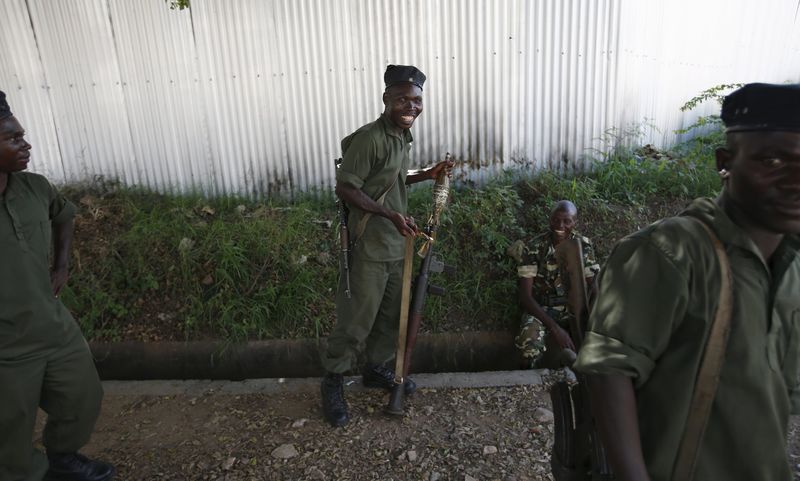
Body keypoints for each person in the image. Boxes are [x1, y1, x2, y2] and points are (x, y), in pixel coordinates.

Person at [574, 83, 800, 481]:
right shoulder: (669, 251)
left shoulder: (791, 267)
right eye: (772, 161)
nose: (794, 181)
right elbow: (608, 370)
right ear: (724, 163)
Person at [319, 65, 453, 427]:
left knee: (391, 317)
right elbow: (347, 188)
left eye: (417, 100)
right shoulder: (370, 138)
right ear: (386, 100)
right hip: (370, 247)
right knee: (356, 320)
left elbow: (390, 179)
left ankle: (375, 370)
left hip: (398, 247)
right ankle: (333, 381)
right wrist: (389, 215)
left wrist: (427, 174)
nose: (411, 106)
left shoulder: (400, 137)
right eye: (403, 99)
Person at [0, 91, 115, 481]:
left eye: (22, 134)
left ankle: (62, 459)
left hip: (53, 328)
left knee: (82, 399)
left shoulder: (33, 187)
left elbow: (63, 214)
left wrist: (61, 265)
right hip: (6, 347)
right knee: (10, 436)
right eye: (12, 138)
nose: (25, 144)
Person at [508, 200, 600, 368]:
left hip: (575, 309)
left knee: (600, 341)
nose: (560, 225)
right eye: (556, 220)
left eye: (567, 221)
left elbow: (594, 286)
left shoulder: (583, 246)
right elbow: (526, 297)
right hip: (543, 310)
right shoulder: (535, 247)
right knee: (529, 347)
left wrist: (592, 318)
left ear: (575, 222)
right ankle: (532, 383)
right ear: (550, 220)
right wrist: (556, 329)